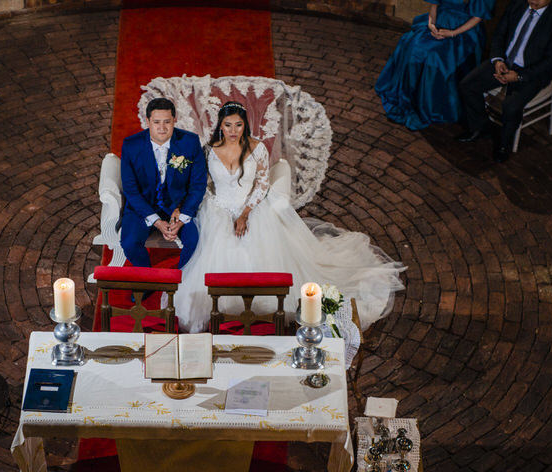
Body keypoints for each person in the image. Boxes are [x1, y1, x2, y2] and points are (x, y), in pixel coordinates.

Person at [172, 102, 404, 333]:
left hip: (251, 207)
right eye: (228, 125)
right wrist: (191, 205)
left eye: (239, 125)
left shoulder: (257, 148)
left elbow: (262, 184)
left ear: (245, 126)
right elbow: (202, 183)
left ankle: (264, 307)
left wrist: (244, 214)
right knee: (215, 247)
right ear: (220, 126)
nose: (233, 130)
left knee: (257, 247)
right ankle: (219, 307)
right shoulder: (208, 149)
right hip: (218, 208)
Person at [455, 0, 552, 162]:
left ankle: (503, 145)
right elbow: (499, 34)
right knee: (467, 85)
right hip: (504, 62)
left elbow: (551, 61)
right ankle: (480, 127)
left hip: (531, 72)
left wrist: (519, 76)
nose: (534, 0)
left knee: (511, 106)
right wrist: (497, 60)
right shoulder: (517, 5)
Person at [374, 0, 495, 132]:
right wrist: (431, 24)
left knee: (434, 57)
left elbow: (477, 17)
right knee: (412, 47)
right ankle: (409, 96)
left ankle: (428, 106)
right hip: (439, 20)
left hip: (464, 30)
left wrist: (452, 33)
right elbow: (434, 5)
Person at [119, 97, 208, 269]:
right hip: (142, 207)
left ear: (175, 120)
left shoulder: (190, 143)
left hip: (178, 207)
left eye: (167, 122)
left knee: (194, 241)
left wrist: (182, 217)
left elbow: (198, 185)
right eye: (156, 122)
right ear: (147, 121)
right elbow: (131, 191)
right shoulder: (131, 145)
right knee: (129, 243)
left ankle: (178, 280)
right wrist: (158, 222)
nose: (162, 128)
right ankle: (148, 278)